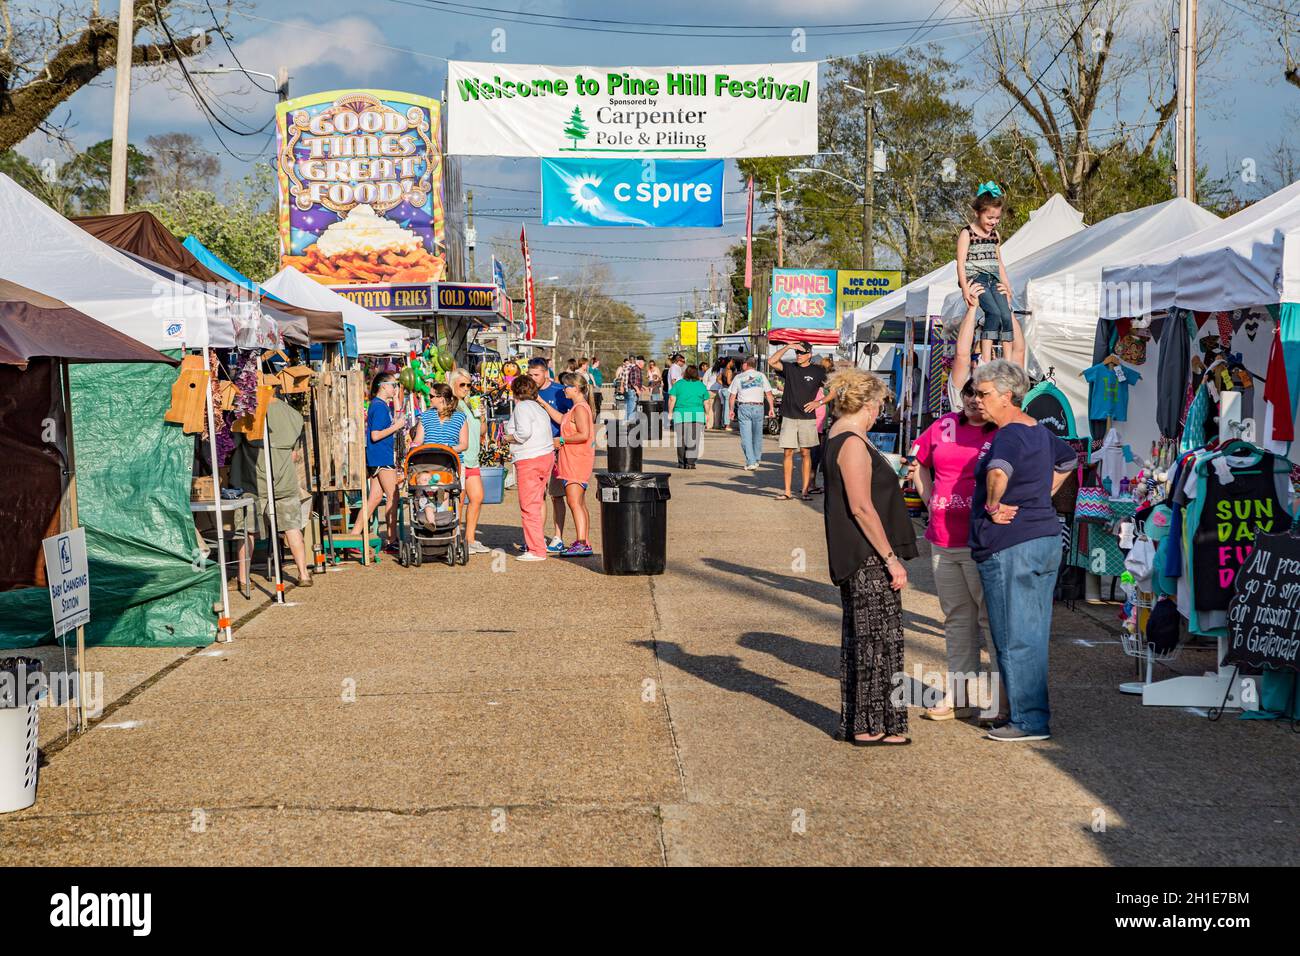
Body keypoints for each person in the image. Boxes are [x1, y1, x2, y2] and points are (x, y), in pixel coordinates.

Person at [969, 360, 1078, 742]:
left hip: (1012, 546)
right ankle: (1026, 715)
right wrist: (1040, 494)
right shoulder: (1038, 431)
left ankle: (1028, 721)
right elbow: (1070, 459)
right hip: (1043, 539)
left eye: (983, 393)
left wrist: (994, 506)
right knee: (1030, 633)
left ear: (1006, 395)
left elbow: (997, 472)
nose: (976, 400)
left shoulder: (1009, 435)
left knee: (1014, 635)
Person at [823, 369, 917, 746]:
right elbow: (861, 507)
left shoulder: (842, 435)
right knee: (877, 641)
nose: (880, 410)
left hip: (858, 555)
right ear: (866, 403)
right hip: (867, 557)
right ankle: (871, 724)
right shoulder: (851, 442)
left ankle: (867, 722)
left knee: (867, 640)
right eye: (879, 403)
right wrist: (891, 558)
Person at [911, 377, 1005, 721]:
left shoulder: (1002, 432)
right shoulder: (944, 425)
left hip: (982, 539)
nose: (974, 400)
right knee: (957, 619)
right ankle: (960, 695)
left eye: (982, 395)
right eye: (969, 393)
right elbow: (918, 461)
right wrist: (930, 496)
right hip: (942, 537)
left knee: (991, 620)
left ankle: (1001, 698)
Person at [230, 392, 312, 587]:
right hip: (285, 480)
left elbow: (234, 444)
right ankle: (303, 574)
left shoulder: (248, 413)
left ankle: (242, 578)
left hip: (254, 481)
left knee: (247, 530)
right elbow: (294, 454)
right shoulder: (294, 415)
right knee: (292, 527)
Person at [956, 182, 1016, 366]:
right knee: (994, 313)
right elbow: (960, 263)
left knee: (1006, 314)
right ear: (977, 213)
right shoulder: (967, 234)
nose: (993, 222)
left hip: (994, 278)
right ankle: (986, 359)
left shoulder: (995, 235)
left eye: (997, 218)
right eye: (990, 218)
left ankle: (1007, 361)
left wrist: (1007, 285)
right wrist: (965, 289)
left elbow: (999, 262)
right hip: (977, 279)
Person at [539, 372, 595, 556]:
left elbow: (584, 434)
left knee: (574, 502)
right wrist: (543, 403)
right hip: (575, 459)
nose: (564, 389)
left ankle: (581, 543)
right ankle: (584, 541)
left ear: (576, 388)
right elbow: (561, 419)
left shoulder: (580, 408)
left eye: (567, 386)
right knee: (579, 502)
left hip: (576, 460)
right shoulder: (576, 407)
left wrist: (561, 440)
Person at [503, 374, 555, 562]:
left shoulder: (522, 407)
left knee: (528, 506)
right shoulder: (538, 408)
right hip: (545, 457)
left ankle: (536, 549)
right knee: (537, 502)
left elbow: (524, 433)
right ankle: (537, 545)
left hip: (529, 459)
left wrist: (508, 438)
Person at [768, 341, 827, 500]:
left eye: (802, 353)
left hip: (807, 418)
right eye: (797, 353)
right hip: (789, 416)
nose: (799, 356)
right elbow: (771, 361)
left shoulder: (818, 371)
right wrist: (788, 347)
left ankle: (805, 491)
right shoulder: (790, 368)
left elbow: (835, 389)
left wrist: (820, 402)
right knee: (788, 452)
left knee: (805, 453)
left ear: (810, 354)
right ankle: (787, 491)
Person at [352, 372, 404, 548]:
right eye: (393, 385)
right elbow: (375, 435)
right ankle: (391, 539)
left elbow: (395, 418)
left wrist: (396, 402)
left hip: (377, 456)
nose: (395, 388)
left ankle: (353, 537)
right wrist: (396, 427)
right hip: (382, 456)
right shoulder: (380, 407)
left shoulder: (378, 405)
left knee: (374, 499)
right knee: (393, 496)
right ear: (383, 386)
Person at [528, 357, 573, 554]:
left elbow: (567, 420)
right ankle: (535, 538)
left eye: (536, 375)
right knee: (536, 497)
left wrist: (542, 403)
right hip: (534, 448)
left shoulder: (558, 391)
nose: (532, 378)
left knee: (556, 495)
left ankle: (557, 537)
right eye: (530, 374)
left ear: (546, 373)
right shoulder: (527, 392)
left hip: (555, 447)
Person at [413, 382, 468, 531]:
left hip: (451, 464)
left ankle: (448, 526)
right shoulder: (425, 417)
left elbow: (464, 444)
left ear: (441, 398)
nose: (429, 398)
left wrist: (448, 449)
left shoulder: (460, 417)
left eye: (431, 396)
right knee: (425, 492)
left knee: (451, 497)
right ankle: (431, 519)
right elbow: (418, 440)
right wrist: (412, 447)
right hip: (429, 465)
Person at [449, 368, 490, 555]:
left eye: (468, 384)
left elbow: (481, 431)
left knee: (477, 497)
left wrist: (482, 416)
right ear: (453, 384)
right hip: (461, 458)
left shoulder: (468, 403)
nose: (466, 388)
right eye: (462, 384)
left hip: (473, 458)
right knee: (460, 499)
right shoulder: (452, 404)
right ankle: (455, 537)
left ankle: (470, 539)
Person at [727, 357, 775, 470]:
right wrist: (771, 408)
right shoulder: (761, 376)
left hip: (744, 407)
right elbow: (768, 394)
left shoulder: (738, 377)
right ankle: (756, 459)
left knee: (746, 437)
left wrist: (730, 410)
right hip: (759, 407)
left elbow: (732, 396)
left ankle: (751, 461)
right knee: (758, 435)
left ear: (745, 365)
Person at [668, 363, 709, 468]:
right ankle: (690, 463)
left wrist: (670, 412)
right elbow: (706, 402)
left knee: (681, 439)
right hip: (697, 415)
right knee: (693, 439)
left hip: (680, 414)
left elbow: (672, 399)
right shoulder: (701, 385)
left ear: (685, 373)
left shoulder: (678, 384)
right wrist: (707, 414)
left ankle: (682, 463)